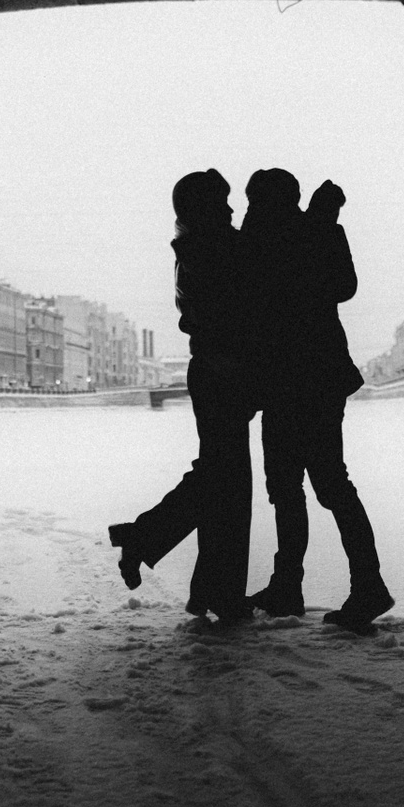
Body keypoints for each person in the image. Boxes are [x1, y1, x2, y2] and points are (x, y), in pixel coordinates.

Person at [241, 169, 393, 631]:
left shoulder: (274, 237)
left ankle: (357, 586)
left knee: (310, 486)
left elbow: (265, 296)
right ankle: (298, 585)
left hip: (294, 380)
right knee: (309, 485)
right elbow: (340, 286)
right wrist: (320, 225)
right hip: (316, 377)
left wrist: (319, 227)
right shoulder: (308, 230)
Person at [107, 170, 257, 624]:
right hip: (221, 373)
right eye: (222, 203)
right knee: (224, 481)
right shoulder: (214, 248)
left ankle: (213, 591)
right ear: (205, 209)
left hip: (213, 372)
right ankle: (145, 539)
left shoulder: (194, 247)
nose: (231, 210)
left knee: (223, 481)